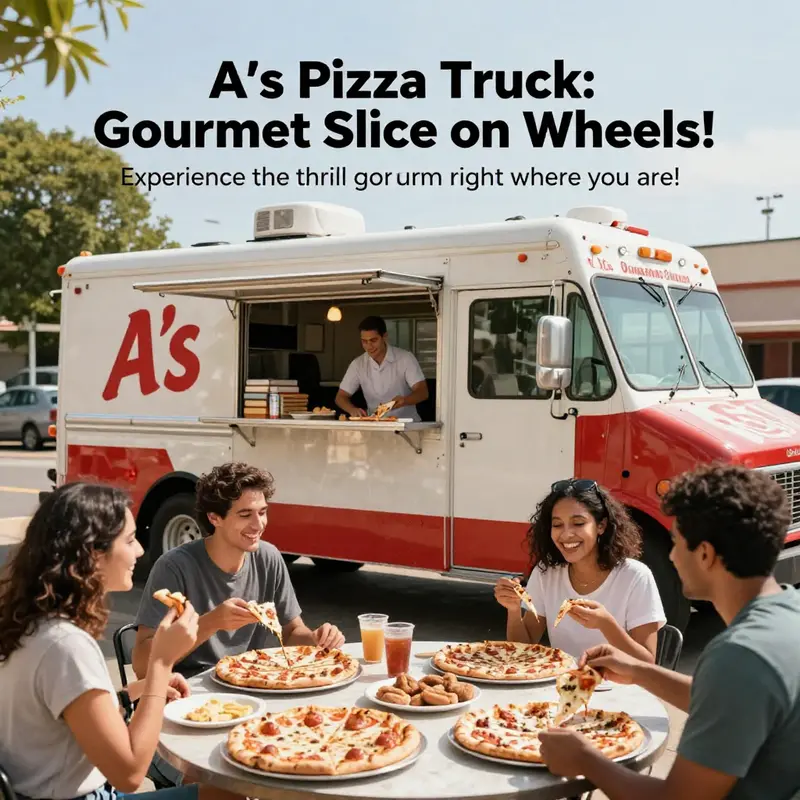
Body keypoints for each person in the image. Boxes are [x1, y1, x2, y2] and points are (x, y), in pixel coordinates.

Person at [539, 463, 800, 800]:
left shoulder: (738, 656)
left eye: (675, 542)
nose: (672, 557)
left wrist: (585, 759)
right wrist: (638, 671)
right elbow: (723, 698)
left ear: (704, 554)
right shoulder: (789, 611)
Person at [0, 482, 225, 800]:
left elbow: (65, 712)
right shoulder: (65, 646)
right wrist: (160, 665)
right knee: (225, 793)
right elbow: (131, 773)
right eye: (130, 540)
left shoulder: (31, 621)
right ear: (94, 554)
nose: (140, 551)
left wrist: (135, 692)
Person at [132, 461, 345, 681]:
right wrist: (212, 622)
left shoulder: (268, 557)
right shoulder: (174, 567)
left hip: (248, 680)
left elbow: (291, 632)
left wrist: (315, 638)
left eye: (262, 512)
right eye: (245, 515)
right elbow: (141, 665)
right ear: (214, 518)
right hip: (186, 689)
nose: (258, 524)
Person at [494, 478, 665, 662]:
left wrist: (606, 624)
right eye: (557, 525)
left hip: (619, 688)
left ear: (601, 525)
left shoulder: (635, 576)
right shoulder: (546, 574)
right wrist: (513, 610)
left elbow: (647, 663)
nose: (566, 534)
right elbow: (521, 653)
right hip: (563, 685)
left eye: (578, 523)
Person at [335, 315, 429, 421]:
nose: (369, 346)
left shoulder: (405, 358)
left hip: (406, 425)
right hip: (375, 424)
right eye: (364, 341)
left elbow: (422, 392)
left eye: (373, 340)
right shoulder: (358, 364)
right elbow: (341, 397)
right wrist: (352, 410)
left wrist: (405, 400)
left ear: (384, 336)